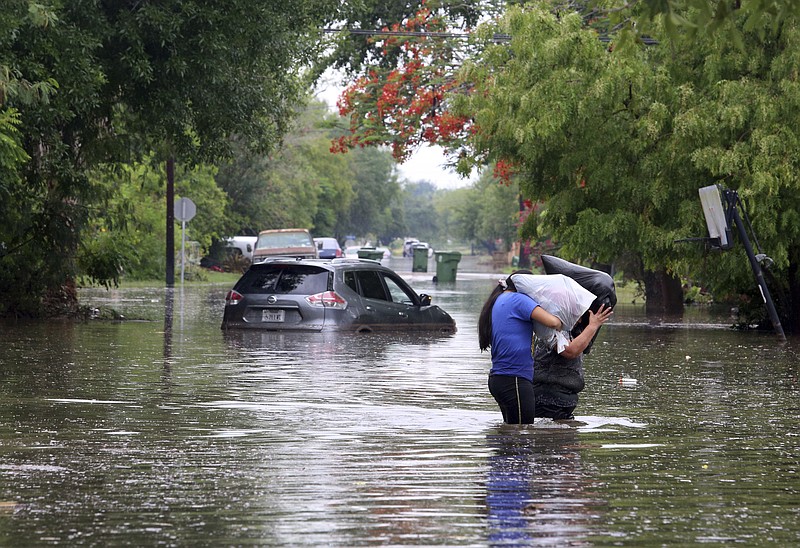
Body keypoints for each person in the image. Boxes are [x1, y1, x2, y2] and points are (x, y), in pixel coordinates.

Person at [478, 270, 612, 424]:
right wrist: (567, 318)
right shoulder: (519, 300)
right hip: (514, 379)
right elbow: (556, 326)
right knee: (523, 435)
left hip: (499, 378)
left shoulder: (501, 300)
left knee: (511, 434)